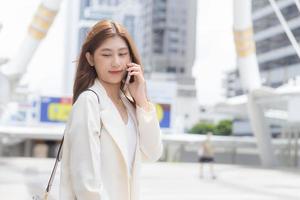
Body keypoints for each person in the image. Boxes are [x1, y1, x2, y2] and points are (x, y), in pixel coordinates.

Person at [59, 19, 163, 200]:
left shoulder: (129, 105)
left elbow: (152, 153)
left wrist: (141, 101)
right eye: (106, 55)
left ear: (131, 58)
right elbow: (87, 183)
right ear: (90, 58)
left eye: (123, 54)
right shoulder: (89, 102)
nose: (116, 62)